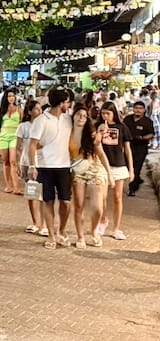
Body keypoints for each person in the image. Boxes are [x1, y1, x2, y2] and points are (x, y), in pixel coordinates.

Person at [28, 88, 73, 250]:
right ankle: (52, 235)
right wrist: (32, 166)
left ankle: (62, 229)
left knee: (66, 202)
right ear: (61, 103)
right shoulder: (42, 120)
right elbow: (32, 144)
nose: (68, 105)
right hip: (45, 167)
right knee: (48, 201)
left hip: (64, 166)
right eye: (67, 102)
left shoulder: (69, 119)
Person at [69, 104, 113, 249]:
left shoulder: (91, 134)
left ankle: (94, 231)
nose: (81, 118)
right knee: (78, 205)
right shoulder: (67, 133)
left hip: (95, 168)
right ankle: (80, 236)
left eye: (84, 115)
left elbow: (101, 154)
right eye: (78, 115)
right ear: (73, 116)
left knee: (97, 207)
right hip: (77, 171)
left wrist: (109, 174)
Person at [95, 101, 133, 240]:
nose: (105, 116)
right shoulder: (98, 126)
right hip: (102, 166)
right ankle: (103, 220)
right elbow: (95, 144)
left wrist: (131, 169)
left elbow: (127, 150)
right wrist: (100, 131)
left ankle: (116, 228)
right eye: (103, 113)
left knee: (117, 197)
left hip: (119, 165)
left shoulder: (122, 127)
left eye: (108, 113)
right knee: (102, 197)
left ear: (114, 114)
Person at [15, 100, 45, 236]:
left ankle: (44, 224)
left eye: (40, 109)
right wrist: (17, 163)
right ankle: (35, 222)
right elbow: (18, 147)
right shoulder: (23, 127)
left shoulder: (44, 126)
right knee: (32, 194)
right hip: (27, 163)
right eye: (37, 109)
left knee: (44, 195)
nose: (40, 112)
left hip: (43, 163)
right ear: (29, 112)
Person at [0, 88, 23, 194]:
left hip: (14, 136)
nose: (11, 98)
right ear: (6, 97)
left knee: (13, 161)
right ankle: (8, 185)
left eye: (13, 96)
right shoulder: (1, 109)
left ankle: (16, 187)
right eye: (9, 96)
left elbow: (22, 123)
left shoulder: (19, 109)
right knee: (5, 161)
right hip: (2, 136)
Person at [123, 101, 154, 196]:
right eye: (136, 108)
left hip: (141, 148)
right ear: (133, 109)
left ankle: (132, 189)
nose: (138, 110)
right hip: (128, 147)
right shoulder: (127, 119)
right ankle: (137, 180)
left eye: (140, 108)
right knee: (128, 167)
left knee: (136, 168)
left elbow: (151, 134)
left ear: (144, 110)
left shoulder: (147, 121)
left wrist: (143, 138)